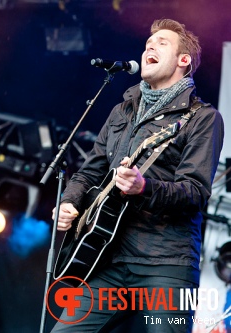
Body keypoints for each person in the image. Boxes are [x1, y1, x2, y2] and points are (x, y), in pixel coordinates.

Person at [50, 19, 224, 333]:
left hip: (167, 264)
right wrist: (70, 202)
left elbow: (195, 191)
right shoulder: (122, 111)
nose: (149, 48)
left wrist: (144, 187)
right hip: (107, 257)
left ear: (183, 61)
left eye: (161, 43)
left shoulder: (203, 118)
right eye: (147, 44)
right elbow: (90, 170)